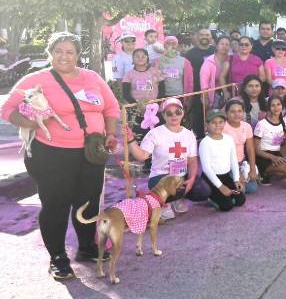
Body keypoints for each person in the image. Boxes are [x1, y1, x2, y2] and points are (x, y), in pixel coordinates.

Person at [1, 32, 120, 280]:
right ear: (50, 53)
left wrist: (110, 133)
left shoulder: (92, 78)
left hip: (91, 152)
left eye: (70, 52)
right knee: (56, 205)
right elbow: (7, 109)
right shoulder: (36, 79)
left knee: (88, 202)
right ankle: (57, 257)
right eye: (58, 51)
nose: (64, 56)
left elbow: (111, 107)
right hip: (52, 156)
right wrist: (29, 123)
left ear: (78, 55)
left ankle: (87, 248)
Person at [125, 97, 209, 216]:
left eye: (177, 112)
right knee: (171, 185)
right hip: (160, 178)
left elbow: (192, 161)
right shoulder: (154, 134)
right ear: (164, 116)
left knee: (203, 190)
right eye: (169, 113)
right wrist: (130, 140)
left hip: (180, 176)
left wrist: (191, 179)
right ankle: (163, 203)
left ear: (183, 113)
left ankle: (177, 199)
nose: (174, 115)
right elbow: (141, 156)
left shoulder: (189, 134)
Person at [254, 96, 286, 185]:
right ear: (269, 107)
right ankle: (263, 172)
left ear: (282, 106)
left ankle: (278, 170)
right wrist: (272, 157)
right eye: (273, 105)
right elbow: (256, 150)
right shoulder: (261, 124)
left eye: (278, 104)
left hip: (277, 152)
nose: (276, 108)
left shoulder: (285, 122)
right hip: (263, 156)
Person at [222, 99, 258, 194]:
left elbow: (250, 149)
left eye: (239, 111)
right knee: (242, 189)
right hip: (227, 164)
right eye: (232, 112)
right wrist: (237, 173)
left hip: (241, 162)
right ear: (226, 114)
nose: (236, 114)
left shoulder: (246, 126)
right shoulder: (222, 128)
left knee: (252, 188)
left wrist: (252, 169)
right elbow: (223, 153)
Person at [200, 36, 231, 108]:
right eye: (222, 44)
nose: (224, 46)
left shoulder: (231, 59)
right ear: (216, 46)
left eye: (227, 44)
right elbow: (204, 83)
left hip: (229, 92)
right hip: (213, 94)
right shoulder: (209, 61)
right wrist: (205, 98)